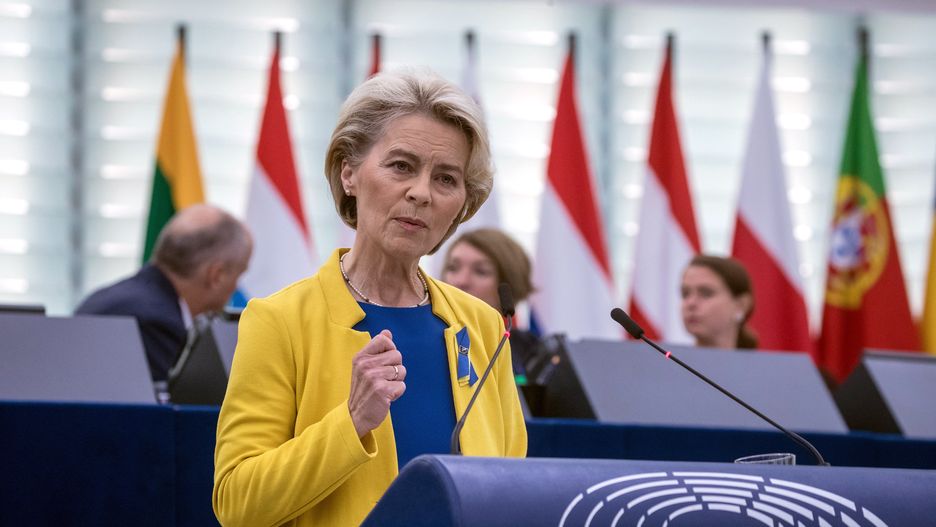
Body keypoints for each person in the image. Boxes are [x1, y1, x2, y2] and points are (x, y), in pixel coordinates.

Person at [212, 69, 527, 527]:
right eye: (401, 166)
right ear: (349, 173)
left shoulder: (481, 325)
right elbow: (238, 504)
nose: (421, 193)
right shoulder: (279, 320)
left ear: (462, 203)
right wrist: (352, 420)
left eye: (445, 178)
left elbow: (512, 487)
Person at [75, 204, 252, 383]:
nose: (236, 288)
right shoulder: (157, 324)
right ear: (217, 276)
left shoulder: (103, 298)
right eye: (239, 275)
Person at [441, 228, 539, 373]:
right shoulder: (426, 338)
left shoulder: (532, 352)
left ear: (509, 285)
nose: (461, 281)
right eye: (453, 268)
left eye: (481, 271)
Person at [680, 254, 757, 349]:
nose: (691, 303)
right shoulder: (668, 357)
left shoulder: (766, 359)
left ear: (740, 305)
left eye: (706, 293)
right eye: (685, 294)